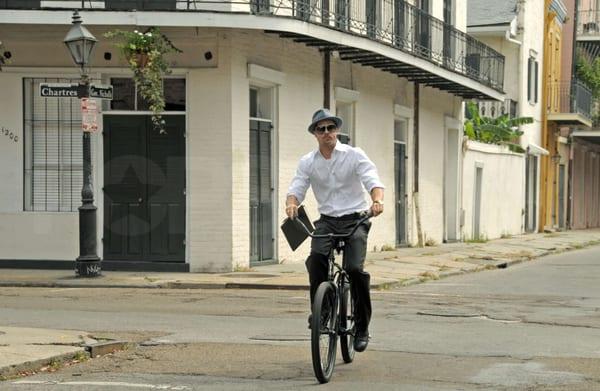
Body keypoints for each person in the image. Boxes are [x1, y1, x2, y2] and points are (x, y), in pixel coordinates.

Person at [286, 108, 384, 353]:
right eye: (321, 129)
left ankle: (362, 327)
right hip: (327, 220)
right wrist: (291, 203)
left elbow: (372, 179)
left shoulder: (353, 155)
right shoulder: (308, 162)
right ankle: (321, 311)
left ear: (337, 130)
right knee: (316, 259)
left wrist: (377, 200)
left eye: (331, 127)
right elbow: (297, 186)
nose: (327, 132)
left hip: (355, 219)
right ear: (315, 134)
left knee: (354, 269)